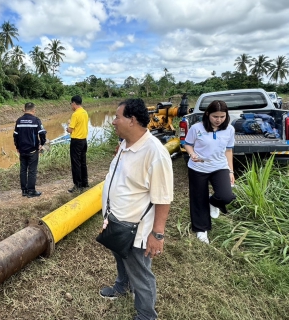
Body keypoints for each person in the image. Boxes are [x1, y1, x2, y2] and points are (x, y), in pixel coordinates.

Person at [100, 99, 174, 320]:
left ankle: (146, 315)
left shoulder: (155, 153)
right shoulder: (126, 143)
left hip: (135, 228)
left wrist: (157, 234)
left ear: (131, 120)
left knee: (141, 273)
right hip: (115, 221)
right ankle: (122, 286)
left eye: (117, 117)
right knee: (120, 256)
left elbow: (163, 198)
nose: (113, 122)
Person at [184, 100, 236, 244]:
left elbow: (229, 150)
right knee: (198, 199)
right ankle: (201, 230)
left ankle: (213, 202)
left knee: (225, 196)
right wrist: (192, 154)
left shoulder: (230, 129)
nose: (219, 120)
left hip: (219, 167)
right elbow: (187, 144)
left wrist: (230, 171)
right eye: (215, 117)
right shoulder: (196, 128)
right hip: (198, 167)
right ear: (207, 114)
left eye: (222, 116)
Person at [13, 102, 47, 198]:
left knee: (23, 170)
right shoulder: (36, 120)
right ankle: (31, 191)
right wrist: (41, 144)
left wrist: (17, 147)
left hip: (22, 150)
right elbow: (42, 133)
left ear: (25, 109)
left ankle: (24, 191)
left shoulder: (19, 121)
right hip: (32, 150)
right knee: (32, 171)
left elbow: (15, 135)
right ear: (33, 110)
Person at [66, 95, 89, 192]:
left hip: (76, 141)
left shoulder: (75, 114)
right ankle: (85, 183)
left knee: (76, 164)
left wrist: (68, 125)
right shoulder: (84, 112)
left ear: (74, 103)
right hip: (84, 141)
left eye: (71, 104)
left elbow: (70, 130)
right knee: (83, 162)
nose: (71, 106)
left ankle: (77, 185)